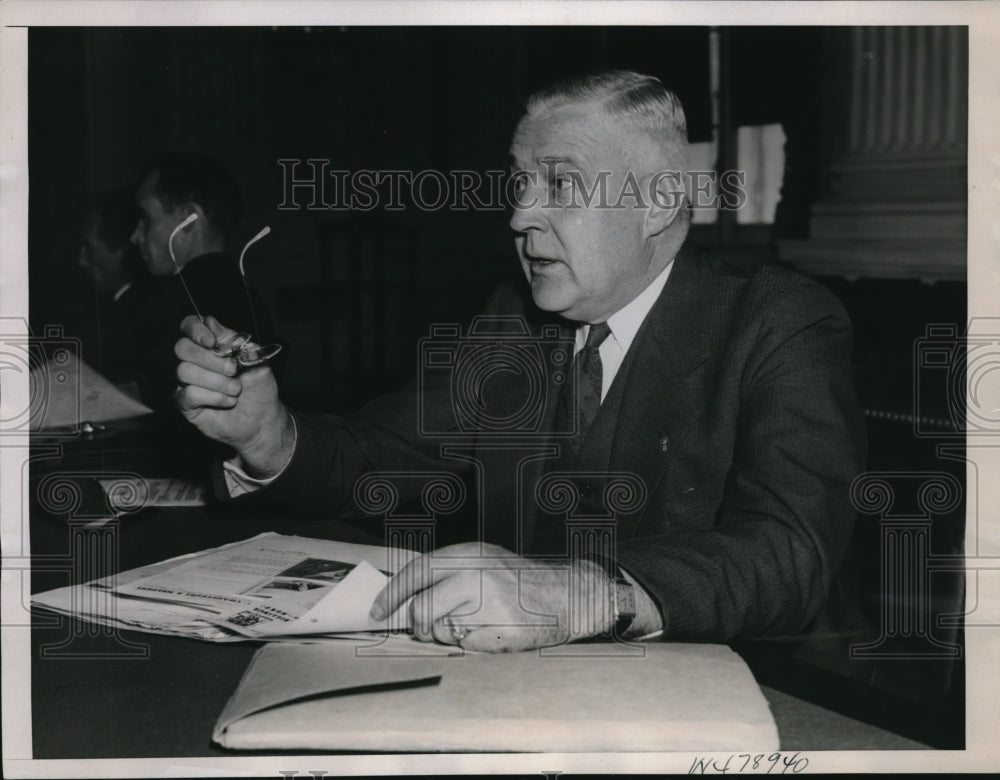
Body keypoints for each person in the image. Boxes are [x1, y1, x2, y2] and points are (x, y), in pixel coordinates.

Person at [174, 70, 866, 653]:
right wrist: (268, 437)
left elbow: (789, 554)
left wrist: (585, 593)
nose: (519, 216)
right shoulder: (514, 316)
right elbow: (389, 452)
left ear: (657, 203)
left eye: (559, 185)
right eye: (520, 183)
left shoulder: (777, 320)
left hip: (765, 692)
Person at [126, 151, 278, 413]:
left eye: (145, 217)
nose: (135, 236)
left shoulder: (159, 304)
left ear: (187, 220)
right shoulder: (251, 300)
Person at [77, 188, 148, 385]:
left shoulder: (133, 321)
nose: (81, 261)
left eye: (89, 248)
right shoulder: (112, 310)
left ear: (120, 249)